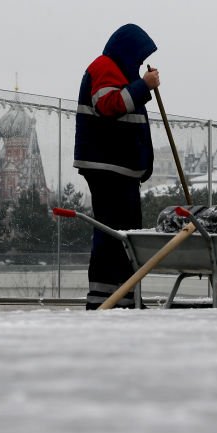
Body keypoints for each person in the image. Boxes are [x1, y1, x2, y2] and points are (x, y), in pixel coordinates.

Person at [73, 24, 159, 310]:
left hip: (118, 172)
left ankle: (123, 297)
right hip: (108, 169)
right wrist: (143, 86)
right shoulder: (105, 67)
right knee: (116, 236)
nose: (140, 64)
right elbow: (109, 104)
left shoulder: (116, 70)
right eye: (139, 57)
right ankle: (107, 299)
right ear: (129, 51)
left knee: (125, 236)